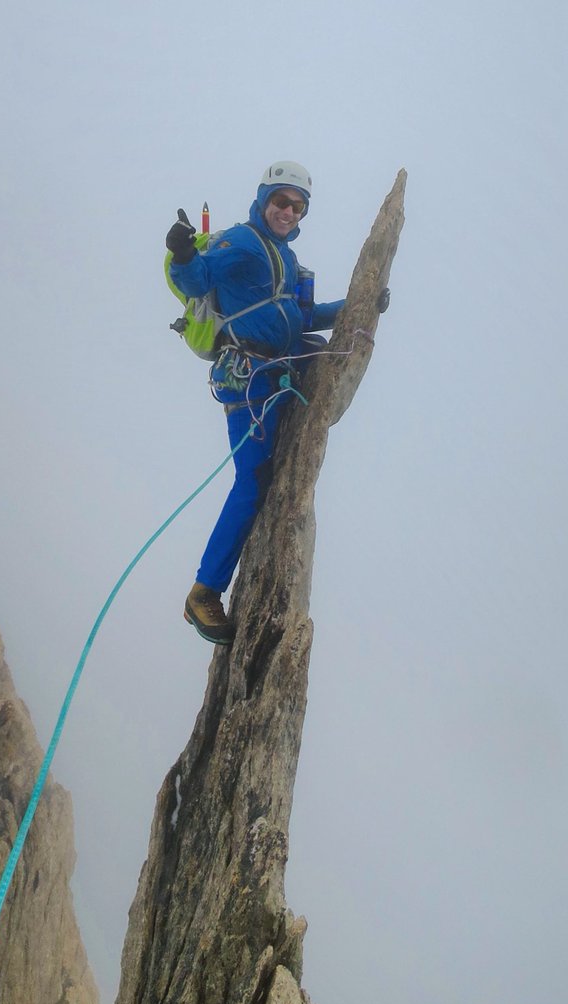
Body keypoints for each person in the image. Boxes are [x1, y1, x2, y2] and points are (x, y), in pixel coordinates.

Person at [167, 161, 369, 646]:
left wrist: (356, 304)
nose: (289, 211)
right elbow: (196, 281)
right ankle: (204, 592)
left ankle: (211, 587)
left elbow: (301, 317)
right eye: (282, 200)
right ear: (263, 200)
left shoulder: (286, 258)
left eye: (298, 206)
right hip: (248, 377)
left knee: (319, 361)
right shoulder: (240, 241)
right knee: (253, 480)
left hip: (277, 368)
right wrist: (179, 252)